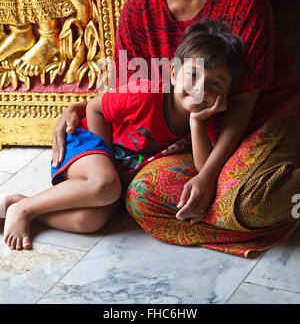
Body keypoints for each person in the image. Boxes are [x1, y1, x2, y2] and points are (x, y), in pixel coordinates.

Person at [51, 0, 300, 257]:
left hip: (260, 116)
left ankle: (253, 196)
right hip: (189, 136)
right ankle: (225, 211)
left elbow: (245, 100)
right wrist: (79, 108)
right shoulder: (139, 7)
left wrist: (207, 176)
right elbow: (127, 84)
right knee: (139, 198)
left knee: (252, 203)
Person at [0, 19, 243, 250]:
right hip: (83, 142)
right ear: (173, 73)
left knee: (91, 220)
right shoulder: (147, 94)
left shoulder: (208, 118)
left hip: (112, 170)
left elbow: (204, 168)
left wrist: (196, 121)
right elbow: (96, 109)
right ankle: (26, 210)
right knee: (105, 184)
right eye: (193, 75)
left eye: (216, 84)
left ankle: (19, 202)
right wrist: (104, 159)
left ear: (226, 93)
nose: (200, 88)